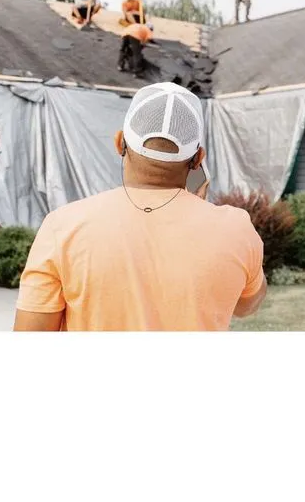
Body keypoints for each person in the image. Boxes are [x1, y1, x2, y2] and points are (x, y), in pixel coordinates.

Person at [14, 82, 266, 332]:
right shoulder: (236, 229)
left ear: (119, 142)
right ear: (198, 158)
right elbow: (247, 305)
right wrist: (202, 214)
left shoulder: (62, 226)